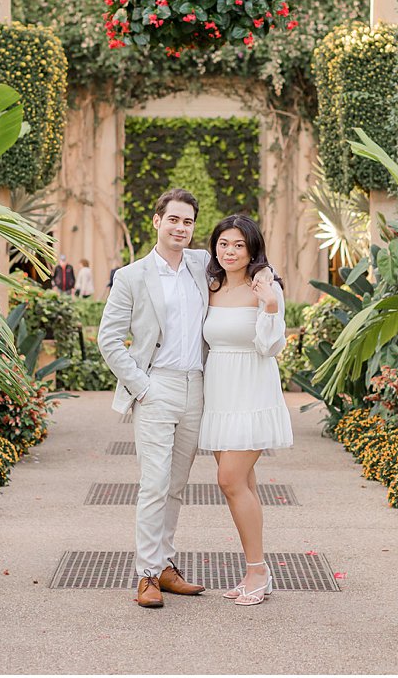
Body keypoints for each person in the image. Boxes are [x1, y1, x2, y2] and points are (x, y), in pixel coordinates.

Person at [96, 188, 210, 609]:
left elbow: (247, 256)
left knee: (177, 485)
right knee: (154, 483)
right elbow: (108, 339)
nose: (181, 228)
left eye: (188, 222)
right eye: (174, 220)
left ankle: (165, 565)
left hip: (196, 386)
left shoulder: (201, 265)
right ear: (157, 221)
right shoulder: (131, 276)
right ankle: (146, 575)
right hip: (155, 386)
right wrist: (141, 387)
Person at [198, 214, 291, 607]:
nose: (230, 251)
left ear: (252, 247)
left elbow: (271, 347)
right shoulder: (210, 285)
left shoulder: (265, 287)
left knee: (229, 479)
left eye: (238, 244)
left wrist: (269, 305)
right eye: (223, 244)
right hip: (220, 392)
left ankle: (258, 569)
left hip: (252, 389)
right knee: (244, 484)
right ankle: (255, 569)